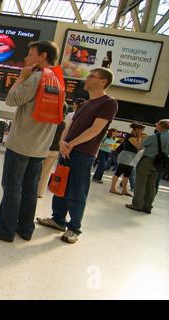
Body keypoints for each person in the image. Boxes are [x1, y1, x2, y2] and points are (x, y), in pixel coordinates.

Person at [0, 40, 61, 242]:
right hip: (40, 147)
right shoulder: (57, 81)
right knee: (30, 189)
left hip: (22, 143)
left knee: (12, 186)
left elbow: (11, 99)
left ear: (43, 57)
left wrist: (21, 77)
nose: (26, 59)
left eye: (31, 55)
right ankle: (25, 228)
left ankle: (5, 229)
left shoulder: (36, 78)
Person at [37, 67, 118, 244]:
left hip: (83, 153)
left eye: (91, 76)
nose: (86, 79)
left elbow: (95, 130)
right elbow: (68, 126)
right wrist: (62, 142)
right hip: (66, 151)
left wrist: (71, 144)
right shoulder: (84, 104)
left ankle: (74, 228)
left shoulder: (108, 102)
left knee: (77, 191)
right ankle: (58, 219)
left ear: (103, 81)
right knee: (60, 186)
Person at [126, 119, 169, 214]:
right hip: (160, 163)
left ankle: (137, 204)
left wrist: (139, 137)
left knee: (140, 183)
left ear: (160, 126)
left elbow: (141, 145)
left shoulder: (155, 136)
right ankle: (147, 206)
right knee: (151, 185)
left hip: (148, 161)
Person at [37, 103, 68, 198]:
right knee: (46, 172)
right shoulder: (63, 123)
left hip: (43, 148)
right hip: (55, 150)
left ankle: (28, 189)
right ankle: (40, 193)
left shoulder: (49, 120)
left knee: (34, 170)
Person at [109, 122, 145, 196]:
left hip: (132, 156)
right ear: (137, 130)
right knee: (119, 171)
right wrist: (139, 137)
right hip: (126, 155)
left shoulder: (133, 136)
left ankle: (124, 190)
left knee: (127, 173)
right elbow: (138, 146)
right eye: (141, 130)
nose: (142, 132)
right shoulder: (130, 136)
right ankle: (112, 188)